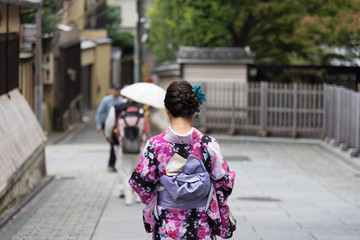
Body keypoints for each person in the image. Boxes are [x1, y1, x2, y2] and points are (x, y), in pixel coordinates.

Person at [129, 80, 236, 239]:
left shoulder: (154, 145)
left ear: (166, 109)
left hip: (168, 227)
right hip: (201, 226)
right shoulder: (208, 144)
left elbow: (142, 185)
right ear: (194, 111)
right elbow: (224, 184)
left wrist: (165, 196)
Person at [105, 99, 150, 204]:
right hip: (139, 148)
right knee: (138, 172)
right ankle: (138, 196)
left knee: (126, 172)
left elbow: (118, 133)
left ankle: (128, 198)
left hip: (124, 148)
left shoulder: (121, 116)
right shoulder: (142, 117)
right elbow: (146, 131)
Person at [95, 83, 123, 172]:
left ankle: (113, 164)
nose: (117, 91)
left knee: (115, 145)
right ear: (112, 90)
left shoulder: (121, 100)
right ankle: (111, 164)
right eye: (115, 89)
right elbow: (99, 112)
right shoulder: (106, 100)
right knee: (112, 145)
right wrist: (98, 125)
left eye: (118, 90)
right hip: (108, 125)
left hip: (118, 126)